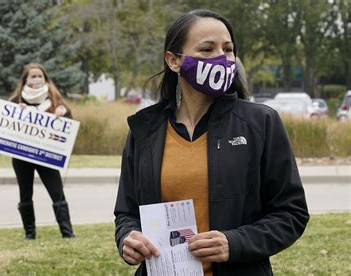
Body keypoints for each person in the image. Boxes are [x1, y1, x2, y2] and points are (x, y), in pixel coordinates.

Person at [114, 9, 309, 275]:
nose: (222, 58)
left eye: (228, 49)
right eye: (207, 49)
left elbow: (291, 214)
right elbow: (126, 213)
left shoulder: (261, 122)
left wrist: (235, 243)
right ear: (173, 60)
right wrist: (127, 238)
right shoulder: (144, 129)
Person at [8, 63, 75, 240]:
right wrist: (17, 113)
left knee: (56, 191)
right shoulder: (16, 101)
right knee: (25, 193)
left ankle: (67, 232)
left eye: (40, 76)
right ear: (25, 79)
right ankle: (29, 233)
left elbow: (69, 125)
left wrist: (64, 113)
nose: (37, 79)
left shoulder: (54, 100)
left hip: (47, 156)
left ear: (45, 78)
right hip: (22, 156)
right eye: (33, 76)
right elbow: (6, 125)